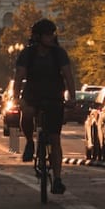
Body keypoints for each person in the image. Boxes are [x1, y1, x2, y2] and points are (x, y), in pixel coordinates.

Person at [14, 18, 76, 194]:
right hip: (33, 94)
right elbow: (19, 76)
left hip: (53, 96)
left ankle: (57, 179)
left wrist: (73, 97)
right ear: (38, 37)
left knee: (55, 139)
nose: (51, 37)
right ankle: (28, 142)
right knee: (26, 112)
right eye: (47, 34)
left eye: (52, 34)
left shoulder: (59, 54)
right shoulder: (28, 54)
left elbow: (68, 76)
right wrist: (16, 97)